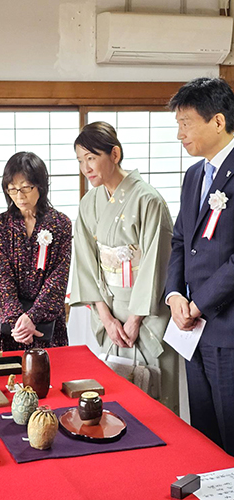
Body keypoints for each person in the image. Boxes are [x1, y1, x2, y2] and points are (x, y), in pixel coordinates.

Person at [69, 121, 179, 413]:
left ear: (114, 154)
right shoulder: (88, 203)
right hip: (110, 308)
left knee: (155, 400)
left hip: (147, 311)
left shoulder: (148, 199)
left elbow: (158, 260)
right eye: (81, 160)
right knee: (116, 398)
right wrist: (106, 318)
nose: (85, 167)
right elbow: (85, 263)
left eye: (91, 158)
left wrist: (134, 319)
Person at [166, 77, 234, 455]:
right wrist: (175, 294)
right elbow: (180, 241)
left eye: (186, 123)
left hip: (227, 327)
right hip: (192, 330)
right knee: (204, 434)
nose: (180, 134)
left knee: (231, 432)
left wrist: (200, 303)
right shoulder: (194, 175)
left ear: (218, 122)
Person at [0, 151, 72, 351]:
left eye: (26, 188)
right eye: (12, 189)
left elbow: (58, 278)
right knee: (8, 378)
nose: (19, 196)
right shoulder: (0, 224)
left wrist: (32, 317)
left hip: (47, 322)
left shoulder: (61, 223)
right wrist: (19, 321)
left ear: (41, 186)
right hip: (12, 325)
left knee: (51, 376)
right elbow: (1, 278)